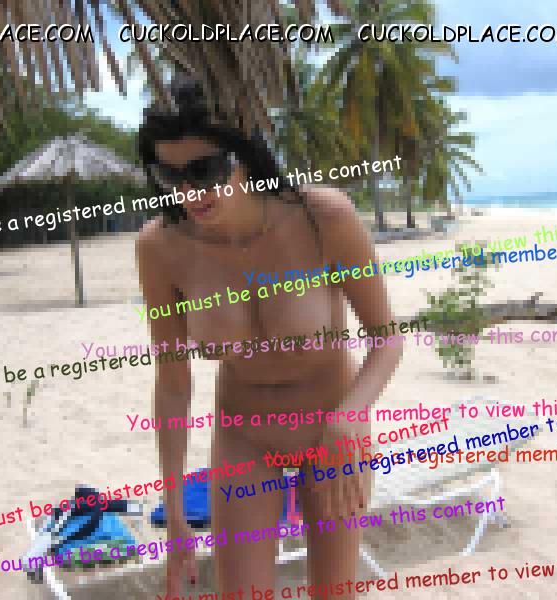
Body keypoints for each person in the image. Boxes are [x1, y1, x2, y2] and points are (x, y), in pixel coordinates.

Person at [136, 75, 403, 598]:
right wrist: (175, 516)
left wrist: (350, 417)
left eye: (204, 171)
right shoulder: (160, 248)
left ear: (246, 155)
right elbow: (172, 384)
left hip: (330, 430)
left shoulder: (323, 218)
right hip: (245, 436)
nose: (189, 193)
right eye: (169, 176)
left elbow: (386, 338)